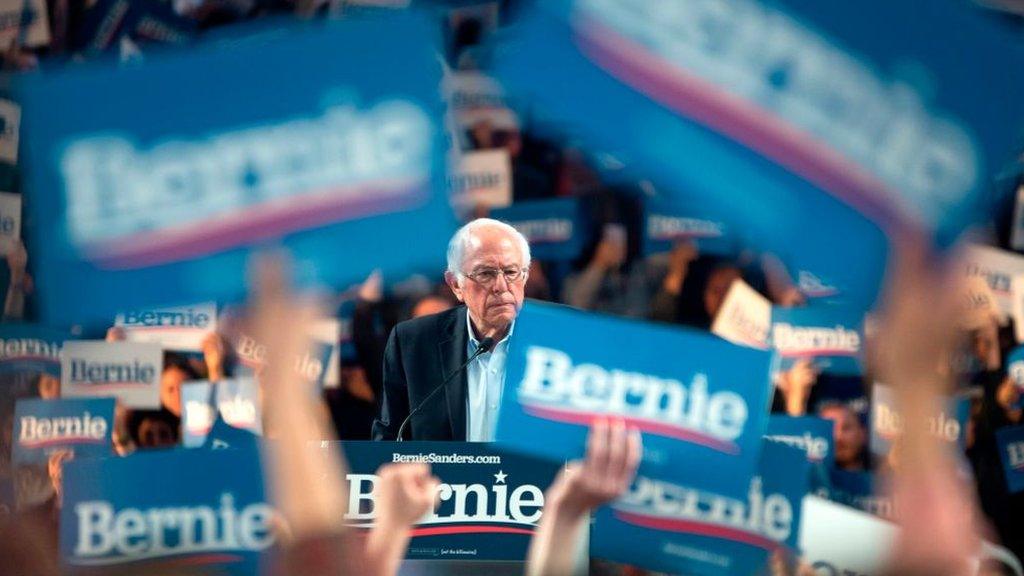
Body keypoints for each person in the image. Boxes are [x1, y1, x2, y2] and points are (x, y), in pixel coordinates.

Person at [372, 218, 530, 441]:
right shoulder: (413, 342)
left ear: (525, 276)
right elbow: (388, 439)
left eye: (511, 271)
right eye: (485, 274)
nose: (501, 286)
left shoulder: (561, 339)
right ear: (455, 284)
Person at [819, 402, 869, 471]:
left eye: (846, 428)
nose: (838, 437)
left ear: (862, 434)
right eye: (830, 429)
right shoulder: (806, 479)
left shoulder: (882, 476)